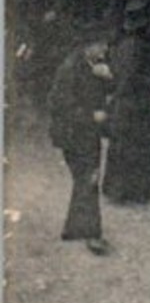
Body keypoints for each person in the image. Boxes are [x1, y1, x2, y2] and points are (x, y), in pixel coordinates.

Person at [102, 0, 150, 205]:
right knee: (133, 146)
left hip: (139, 102)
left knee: (142, 144)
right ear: (148, 21)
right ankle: (128, 192)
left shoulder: (144, 42)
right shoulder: (132, 46)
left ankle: (143, 188)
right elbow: (128, 80)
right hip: (131, 104)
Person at [47, 41, 113, 255]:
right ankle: (92, 235)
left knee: (84, 178)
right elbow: (58, 105)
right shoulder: (69, 69)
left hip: (87, 133)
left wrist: (108, 79)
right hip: (73, 134)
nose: (105, 50)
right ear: (88, 45)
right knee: (89, 178)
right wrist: (90, 115)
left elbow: (104, 90)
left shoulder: (92, 64)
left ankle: (74, 229)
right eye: (100, 45)